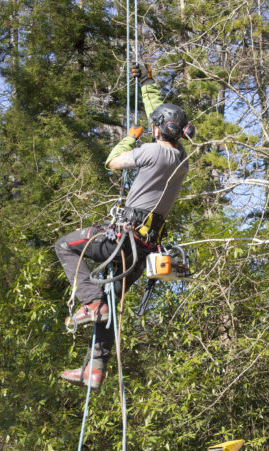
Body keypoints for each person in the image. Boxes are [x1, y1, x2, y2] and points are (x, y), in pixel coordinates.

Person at [55, 63, 195, 389]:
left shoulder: (147, 151)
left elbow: (113, 162)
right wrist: (147, 83)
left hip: (123, 237)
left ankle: (89, 302)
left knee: (65, 245)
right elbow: (162, 116)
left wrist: (128, 140)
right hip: (145, 248)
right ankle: (95, 368)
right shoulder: (182, 159)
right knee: (111, 303)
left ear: (157, 130)